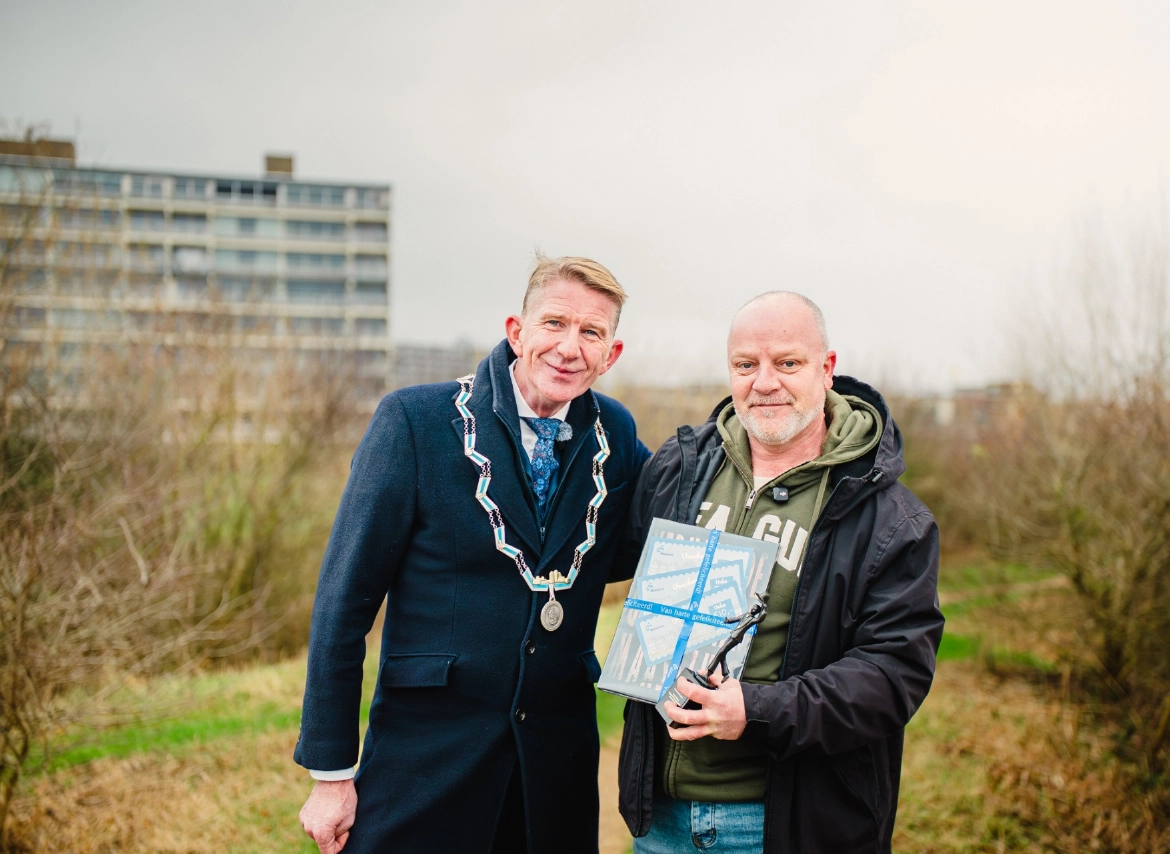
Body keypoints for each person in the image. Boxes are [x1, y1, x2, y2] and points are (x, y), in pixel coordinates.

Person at [294, 256, 650, 854]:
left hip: (553, 776)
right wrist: (331, 775)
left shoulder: (615, 434)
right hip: (425, 761)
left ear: (611, 354)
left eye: (592, 332)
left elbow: (633, 544)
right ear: (517, 331)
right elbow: (343, 602)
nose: (570, 346)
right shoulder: (414, 421)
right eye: (555, 323)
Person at [614, 291, 943, 853]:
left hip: (786, 825)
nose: (764, 382)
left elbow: (893, 675)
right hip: (660, 820)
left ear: (827, 369)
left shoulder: (890, 518)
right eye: (746, 365)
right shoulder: (680, 468)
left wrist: (759, 710)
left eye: (787, 363)